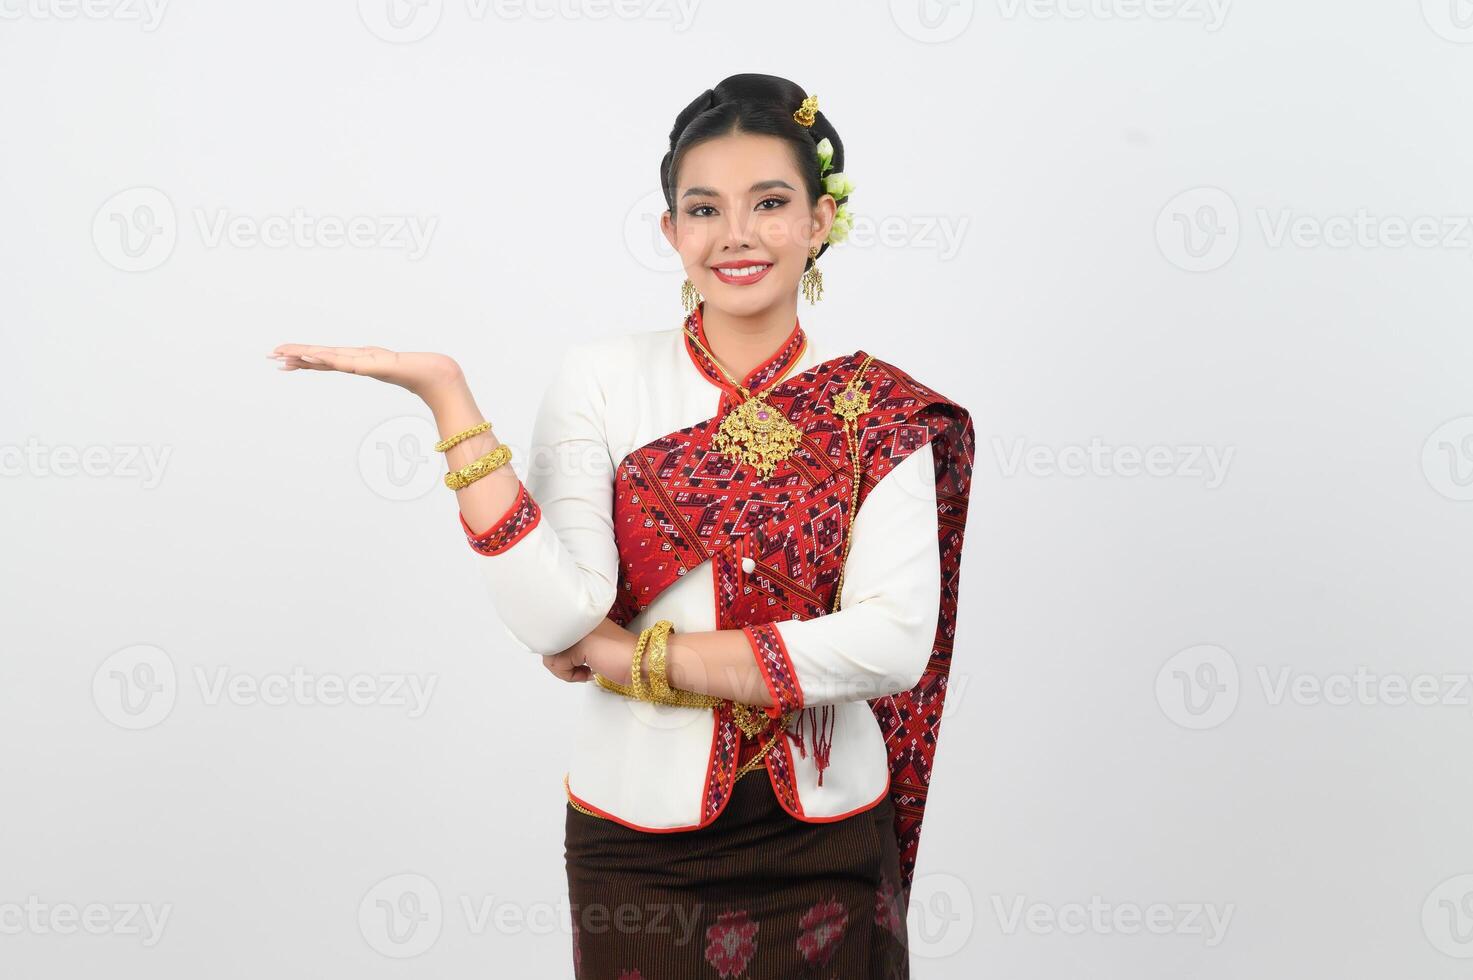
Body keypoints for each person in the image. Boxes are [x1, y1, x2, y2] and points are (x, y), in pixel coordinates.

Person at [269, 72, 975, 979]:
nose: (736, 235)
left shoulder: (875, 408)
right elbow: (557, 615)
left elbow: (890, 644)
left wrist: (625, 658)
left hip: (831, 834)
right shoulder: (603, 379)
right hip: (636, 840)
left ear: (820, 220)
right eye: (703, 208)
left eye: (770, 202)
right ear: (669, 231)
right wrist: (446, 394)